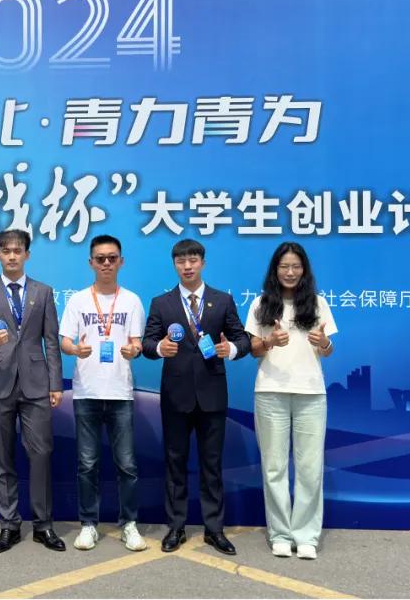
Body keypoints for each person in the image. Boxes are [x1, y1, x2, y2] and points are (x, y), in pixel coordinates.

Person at [142, 238, 250, 556]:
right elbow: (147, 343)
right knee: (174, 463)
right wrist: (160, 347)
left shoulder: (222, 300)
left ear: (202, 262)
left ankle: (214, 530)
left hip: (212, 395)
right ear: (174, 265)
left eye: (192, 260)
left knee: (211, 465)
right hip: (175, 396)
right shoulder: (162, 303)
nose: (187, 266)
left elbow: (242, 338)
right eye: (181, 261)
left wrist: (231, 349)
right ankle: (175, 527)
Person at [0, 229, 65, 553]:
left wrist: (55, 384)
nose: (12, 256)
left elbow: (51, 341)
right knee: (2, 458)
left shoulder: (43, 291)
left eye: (17, 250)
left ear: (27, 255)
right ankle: (8, 525)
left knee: (41, 455)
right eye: (6, 251)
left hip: (37, 385)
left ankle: (43, 525)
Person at [246, 242, 336, 560]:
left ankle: (306, 536)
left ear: (304, 270)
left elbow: (328, 350)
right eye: (284, 266)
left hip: (311, 393)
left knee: (310, 468)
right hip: (270, 391)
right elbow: (253, 349)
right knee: (274, 468)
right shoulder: (261, 304)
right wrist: (269, 341)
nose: (290, 272)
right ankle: (281, 534)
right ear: (275, 270)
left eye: (296, 266)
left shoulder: (318, 303)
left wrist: (324, 342)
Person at [58, 234, 148, 552]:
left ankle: (129, 524)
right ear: (91, 263)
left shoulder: (132, 301)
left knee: (127, 464)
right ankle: (88, 525)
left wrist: (134, 350)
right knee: (87, 464)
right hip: (87, 391)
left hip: (120, 392)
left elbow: (137, 342)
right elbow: (64, 341)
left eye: (112, 258)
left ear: (121, 262)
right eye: (100, 259)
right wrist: (75, 350)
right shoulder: (78, 300)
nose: (106, 263)